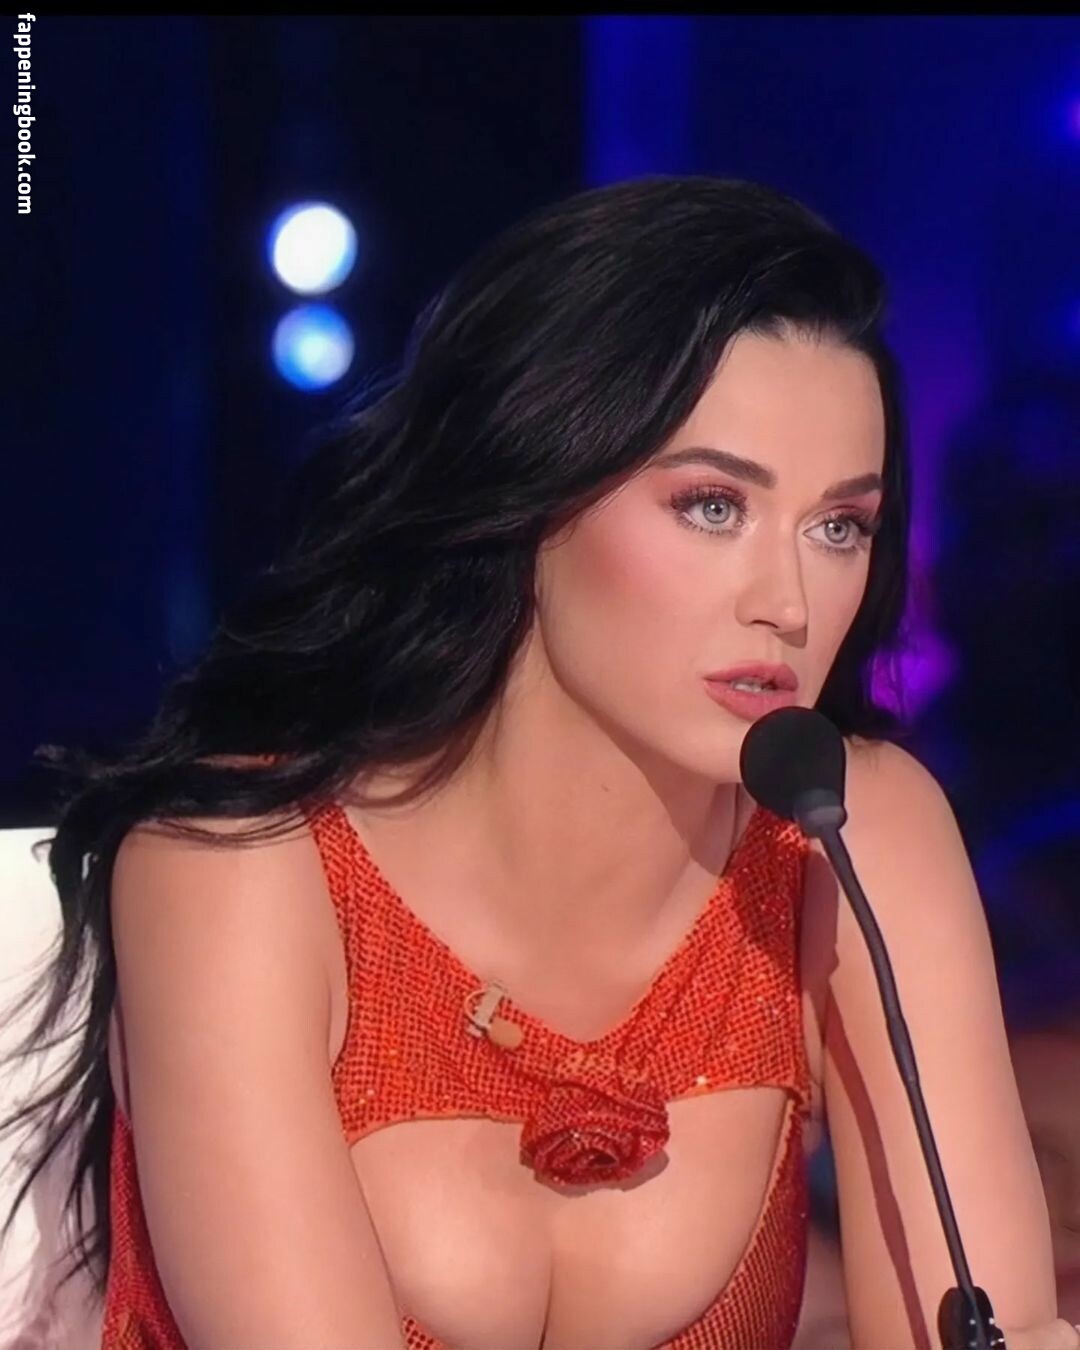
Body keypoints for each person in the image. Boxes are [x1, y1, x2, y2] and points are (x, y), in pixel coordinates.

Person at [2, 175, 1077, 1350]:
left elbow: (991, 1329)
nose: (790, 602)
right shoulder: (241, 869)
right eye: (713, 506)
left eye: (840, 527)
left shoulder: (854, 834)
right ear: (529, 490)